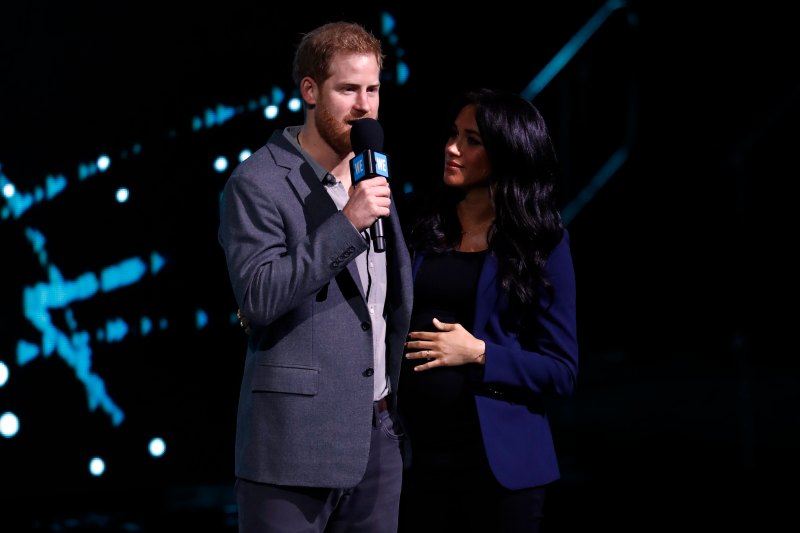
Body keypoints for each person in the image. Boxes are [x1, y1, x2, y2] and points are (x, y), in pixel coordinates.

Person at [217, 21, 413, 533]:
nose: (364, 105)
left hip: (376, 435)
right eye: (348, 89)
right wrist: (346, 222)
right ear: (310, 90)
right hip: (292, 445)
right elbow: (258, 297)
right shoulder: (257, 181)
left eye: (372, 90)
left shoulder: (375, 173)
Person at [397, 88, 579, 533]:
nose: (451, 148)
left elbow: (562, 371)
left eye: (471, 140)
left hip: (498, 467)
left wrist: (480, 352)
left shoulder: (542, 240)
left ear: (507, 151)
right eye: (453, 134)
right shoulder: (420, 222)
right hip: (413, 459)